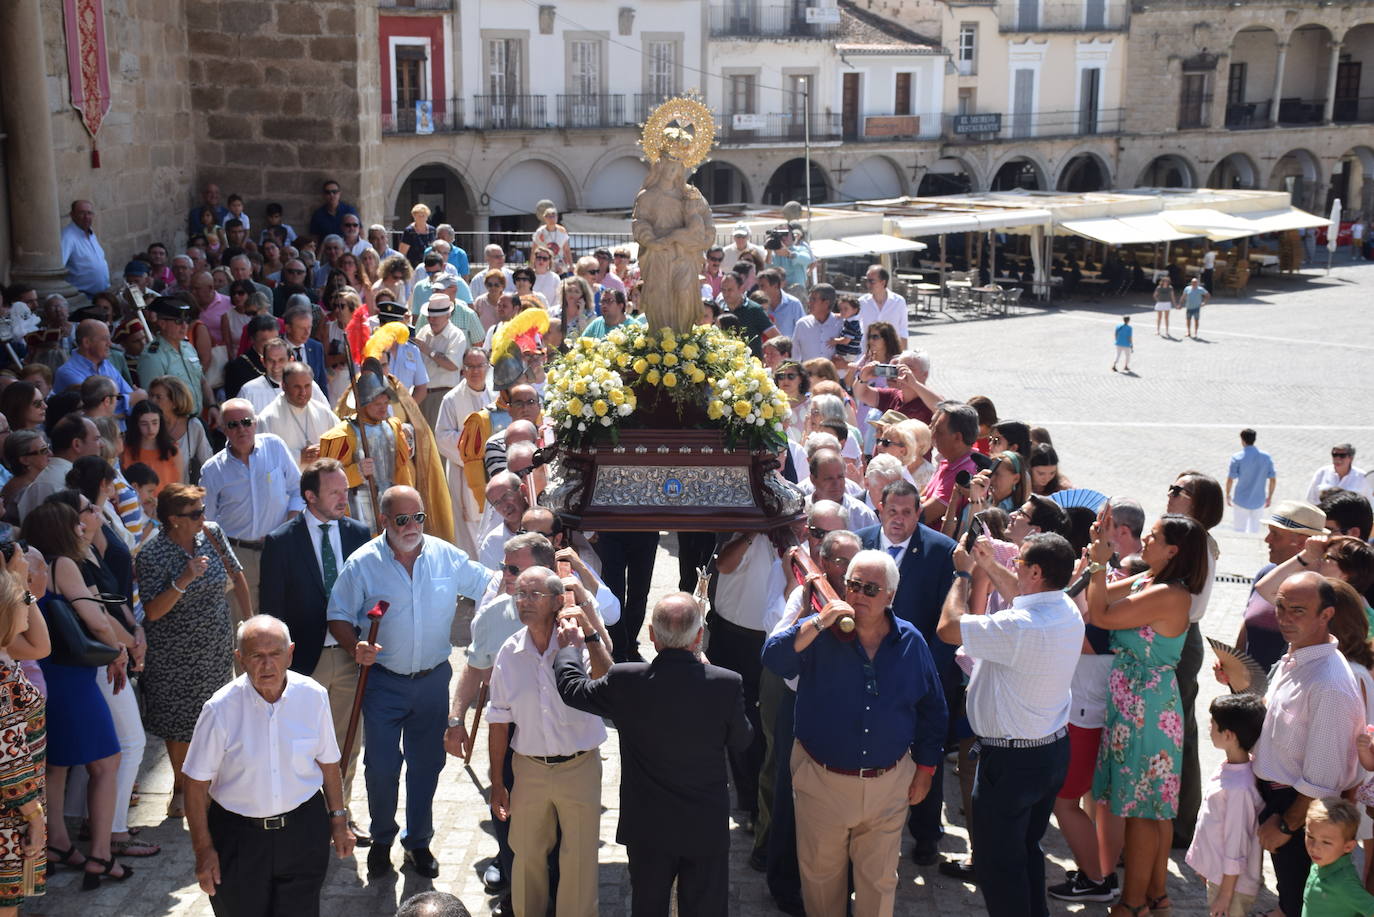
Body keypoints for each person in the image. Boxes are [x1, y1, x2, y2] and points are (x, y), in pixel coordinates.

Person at [763, 548, 947, 916]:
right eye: (853, 585)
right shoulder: (821, 629)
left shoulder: (911, 642)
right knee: (820, 881)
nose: (859, 595)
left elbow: (933, 709)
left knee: (879, 885)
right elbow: (774, 658)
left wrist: (925, 770)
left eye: (870, 589)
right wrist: (815, 622)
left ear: (890, 596)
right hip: (822, 781)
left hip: (887, 784)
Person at [327, 486, 495, 879]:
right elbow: (337, 613)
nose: (412, 526)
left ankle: (418, 842)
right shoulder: (362, 563)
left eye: (418, 517)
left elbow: (489, 586)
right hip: (383, 682)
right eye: (402, 519)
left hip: (433, 682)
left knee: (427, 765)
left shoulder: (445, 556)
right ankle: (382, 840)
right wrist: (356, 646)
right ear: (384, 521)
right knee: (381, 767)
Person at [555, 591, 751, 916]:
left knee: (647, 907)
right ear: (699, 636)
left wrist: (569, 648)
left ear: (651, 635)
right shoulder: (726, 684)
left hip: (648, 826)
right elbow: (742, 741)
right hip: (704, 826)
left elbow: (572, 689)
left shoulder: (626, 679)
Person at [936, 532, 1083, 917]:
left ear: (1035, 571)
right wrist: (987, 563)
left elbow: (949, 628)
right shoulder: (1064, 606)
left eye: (1019, 563)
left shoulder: (1019, 626)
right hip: (1049, 751)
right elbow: (1023, 592)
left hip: (1011, 763)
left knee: (997, 867)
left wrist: (963, 575)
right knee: (1025, 852)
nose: (1014, 570)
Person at [183, 615, 355, 917]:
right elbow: (195, 785)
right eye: (256, 656)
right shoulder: (219, 709)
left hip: (303, 833)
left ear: (290, 653)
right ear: (240, 659)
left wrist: (339, 821)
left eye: (275, 654)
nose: (267, 665)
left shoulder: (313, 696)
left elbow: (329, 763)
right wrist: (203, 849)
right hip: (238, 839)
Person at [1085, 509, 1208, 917]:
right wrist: (1099, 557)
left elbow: (1101, 614)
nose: (1144, 541)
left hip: (1145, 708)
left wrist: (1101, 562)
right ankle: (1157, 896)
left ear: (1173, 550)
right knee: (1152, 809)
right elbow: (1099, 597)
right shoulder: (1151, 580)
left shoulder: (1170, 593)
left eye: (1153, 537)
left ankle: (1132, 903)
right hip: (1138, 703)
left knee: (1140, 810)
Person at [485, 565, 609, 917]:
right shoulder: (509, 653)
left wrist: (588, 635)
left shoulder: (577, 643)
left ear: (557, 601)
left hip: (579, 766)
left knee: (579, 860)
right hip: (529, 769)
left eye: (533, 594)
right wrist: (497, 781)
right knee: (525, 856)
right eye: (519, 594)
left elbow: (607, 682)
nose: (523, 601)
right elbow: (498, 723)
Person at [1239, 570, 1365, 917]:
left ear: (1326, 615)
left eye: (1298, 610)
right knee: (1291, 899)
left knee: (1300, 903)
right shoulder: (1298, 655)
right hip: (1282, 799)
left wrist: (1284, 825)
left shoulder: (1329, 682)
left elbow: (1322, 780)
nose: (1284, 618)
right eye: (1280, 607)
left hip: (1298, 809)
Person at [259, 459, 371, 840]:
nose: (344, 498)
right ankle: (303, 817)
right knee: (301, 743)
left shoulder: (359, 533)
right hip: (304, 660)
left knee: (346, 743)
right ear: (310, 496)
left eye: (346, 490)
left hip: (349, 656)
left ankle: (341, 813)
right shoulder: (281, 541)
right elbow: (272, 609)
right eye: (335, 491)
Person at [136, 482, 246, 819]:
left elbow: (237, 575)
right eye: (195, 513)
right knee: (178, 723)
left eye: (203, 510)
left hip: (214, 644)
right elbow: (153, 611)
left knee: (214, 716)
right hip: (172, 651)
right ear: (173, 519)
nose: (203, 517)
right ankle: (183, 786)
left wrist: (250, 623)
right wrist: (184, 578)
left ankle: (210, 784)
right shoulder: (152, 554)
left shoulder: (211, 533)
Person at [199, 399, 303, 619]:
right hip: (237, 555)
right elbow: (206, 522)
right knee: (243, 621)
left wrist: (289, 527)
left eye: (246, 422)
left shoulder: (275, 446)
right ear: (223, 428)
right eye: (233, 424)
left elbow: (297, 490)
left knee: (282, 615)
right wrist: (223, 557)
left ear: (256, 423)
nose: (241, 429)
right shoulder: (212, 469)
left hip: (278, 549)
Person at [1184, 693, 1265, 917]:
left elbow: (1235, 844)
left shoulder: (1239, 788)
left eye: (1213, 724)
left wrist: (1225, 894)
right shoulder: (1231, 769)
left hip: (1233, 887)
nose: (1209, 728)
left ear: (1228, 735)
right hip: (1222, 878)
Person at [0, 549, 48, 913]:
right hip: (11, 812)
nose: (27, 603)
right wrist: (33, 816)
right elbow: (8, 760)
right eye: (21, 598)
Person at [137, 298, 216, 422]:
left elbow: (202, 381)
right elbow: (153, 400)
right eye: (178, 321)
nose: (184, 326)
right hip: (173, 425)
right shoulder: (152, 357)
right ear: (162, 323)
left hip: (197, 421)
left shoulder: (187, 347)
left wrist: (212, 405)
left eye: (186, 320)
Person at [53, 320, 144, 421]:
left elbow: (132, 402)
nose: (110, 344)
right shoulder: (67, 373)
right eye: (105, 339)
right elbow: (97, 408)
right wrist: (133, 398)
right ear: (86, 342)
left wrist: (125, 403)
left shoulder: (107, 365)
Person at [256, 362, 340, 467]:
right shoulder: (268, 418)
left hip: (321, 480)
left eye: (307, 386)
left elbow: (340, 441)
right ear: (284, 386)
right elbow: (261, 457)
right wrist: (298, 457)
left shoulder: (322, 411)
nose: (303, 392)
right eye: (297, 387)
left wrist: (325, 451)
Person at [1301, 798, 1374, 917]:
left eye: (1326, 842)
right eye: (1310, 836)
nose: (1314, 848)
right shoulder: (1320, 861)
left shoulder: (1344, 883)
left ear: (1348, 847)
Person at [413, 295, 467, 431]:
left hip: (442, 395)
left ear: (447, 315)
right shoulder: (424, 331)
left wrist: (429, 351)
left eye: (435, 317)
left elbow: (453, 365)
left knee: (439, 444)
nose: (431, 320)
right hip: (421, 394)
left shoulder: (457, 335)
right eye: (429, 316)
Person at [1226, 428, 1277, 532]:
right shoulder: (1266, 457)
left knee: (1239, 530)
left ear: (1242, 440)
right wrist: (1269, 497)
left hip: (1240, 499)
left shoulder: (1237, 457)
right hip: (1259, 499)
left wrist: (1227, 495)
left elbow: (1230, 479)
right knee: (1255, 530)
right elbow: (1272, 479)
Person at [61, 200, 110, 298]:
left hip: (101, 294)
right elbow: (60, 267)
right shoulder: (67, 237)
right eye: (82, 213)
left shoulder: (90, 233)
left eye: (89, 213)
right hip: (84, 297)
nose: (86, 217)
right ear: (72, 215)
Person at [857, 265, 909, 349]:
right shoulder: (862, 302)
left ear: (883, 282)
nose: (868, 284)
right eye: (867, 281)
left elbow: (903, 330)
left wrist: (902, 355)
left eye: (871, 281)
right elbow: (854, 326)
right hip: (869, 354)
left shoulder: (899, 301)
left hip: (892, 353)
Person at [1306, 443, 1372, 504]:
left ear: (1351, 458)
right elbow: (1310, 500)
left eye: (1342, 455)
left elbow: (1371, 502)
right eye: (1334, 455)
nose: (1337, 458)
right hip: (1324, 515)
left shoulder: (1362, 477)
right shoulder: (1321, 473)